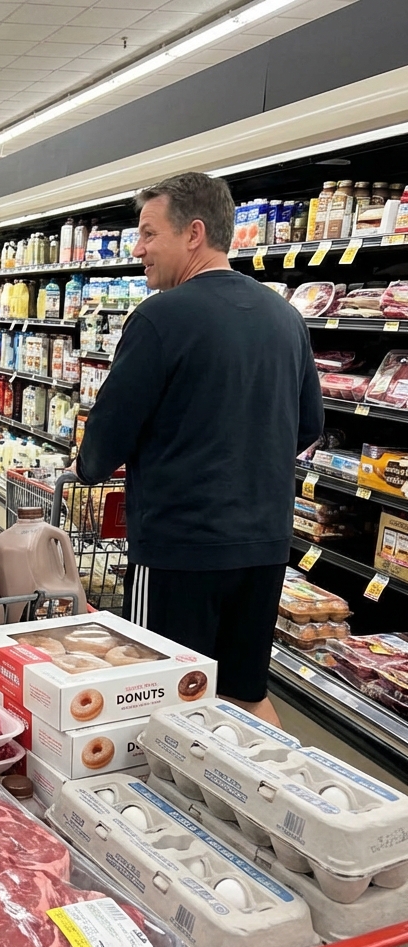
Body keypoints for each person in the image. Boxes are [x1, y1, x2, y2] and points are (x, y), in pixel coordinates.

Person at [74, 172, 324, 726]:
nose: (138, 249)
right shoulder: (285, 317)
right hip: (263, 543)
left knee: (161, 693)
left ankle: (167, 811)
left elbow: (109, 430)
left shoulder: (161, 318)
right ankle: (274, 799)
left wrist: (88, 466)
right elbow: (308, 425)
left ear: (193, 234)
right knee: (244, 690)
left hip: (178, 549)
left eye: (147, 234)